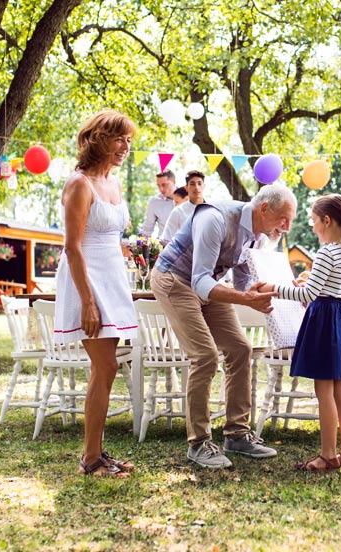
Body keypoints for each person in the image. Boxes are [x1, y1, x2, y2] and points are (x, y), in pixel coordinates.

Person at [151, 183, 297, 469]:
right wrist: (246, 298)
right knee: (204, 356)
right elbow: (200, 281)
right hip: (174, 279)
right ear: (264, 208)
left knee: (240, 349)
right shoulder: (214, 219)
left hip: (206, 285)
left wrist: (280, 291)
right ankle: (198, 442)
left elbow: (244, 281)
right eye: (284, 218)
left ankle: (237, 434)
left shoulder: (256, 235)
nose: (287, 227)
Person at [53, 110, 140, 478]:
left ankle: (97, 453)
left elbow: (110, 238)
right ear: (97, 138)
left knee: (107, 368)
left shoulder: (114, 184)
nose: (124, 146)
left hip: (112, 277)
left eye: (129, 141)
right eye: (118, 138)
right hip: (85, 279)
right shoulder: (79, 184)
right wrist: (87, 300)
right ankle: (90, 459)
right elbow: (73, 247)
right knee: (105, 365)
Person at [259, 194, 341, 471]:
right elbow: (322, 287)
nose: (312, 226)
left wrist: (273, 288)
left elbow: (309, 293)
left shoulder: (326, 252)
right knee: (340, 389)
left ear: (326, 220)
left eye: (313, 220)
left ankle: (328, 455)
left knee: (324, 391)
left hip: (324, 322)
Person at [159, 170, 206, 242]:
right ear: (186, 187)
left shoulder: (212, 210)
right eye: (192, 184)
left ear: (204, 186)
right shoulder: (178, 212)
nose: (196, 187)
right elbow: (166, 239)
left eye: (199, 184)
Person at [141, 169, 177, 237]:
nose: (161, 189)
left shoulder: (187, 198)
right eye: (158, 185)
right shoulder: (154, 202)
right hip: (165, 245)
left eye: (164, 185)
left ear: (174, 182)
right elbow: (147, 229)